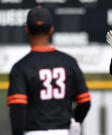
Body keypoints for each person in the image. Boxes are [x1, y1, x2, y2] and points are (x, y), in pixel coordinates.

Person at [7, 6, 91, 135]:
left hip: (34, 132)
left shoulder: (21, 67)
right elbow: (85, 102)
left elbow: (18, 107)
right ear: (51, 30)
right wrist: (72, 122)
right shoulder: (69, 62)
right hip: (64, 131)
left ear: (27, 30)